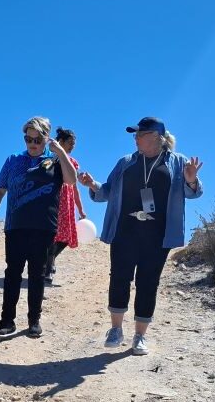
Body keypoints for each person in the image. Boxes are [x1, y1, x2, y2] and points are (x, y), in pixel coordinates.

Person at [78, 116, 204, 356]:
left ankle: (140, 336)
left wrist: (191, 180)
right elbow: (106, 191)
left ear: (157, 137)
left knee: (148, 283)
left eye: (140, 134)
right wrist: (92, 185)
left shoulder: (178, 162)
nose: (135, 138)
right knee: (119, 278)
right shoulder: (126, 162)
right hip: (124, 230)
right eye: (135, 135)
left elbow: (193, 193)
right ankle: (115, 330)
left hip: (158, 235)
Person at [0, 116, 78, 339]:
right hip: (16, 226)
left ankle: (34, 321)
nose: (33, 144)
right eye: (28, 139)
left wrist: (60, 152)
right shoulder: (13, 160)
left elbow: (71, 180)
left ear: (46, 138)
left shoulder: (55, 161)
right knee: (12, 273)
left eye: (37, 139)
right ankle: (7, 321)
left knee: (36, 275)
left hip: (44, 227)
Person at [43, 126, 86, 286]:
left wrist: (80, 209)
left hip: (67, 205)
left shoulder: (72, 163)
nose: (72, 146)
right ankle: (48, 269)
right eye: (69, 143)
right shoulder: (48, 160)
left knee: (66, 237)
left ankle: (50, 260)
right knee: (51, 236)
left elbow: (75, 188)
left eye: (74, 144)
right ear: (60, 142)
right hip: (53, 201)